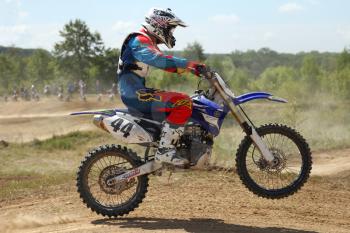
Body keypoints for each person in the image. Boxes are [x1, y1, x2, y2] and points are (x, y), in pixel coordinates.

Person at [117, 8, 205, 166]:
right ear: (159, 25)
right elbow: (158, 59)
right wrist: (189, 65)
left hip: (136, 92)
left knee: (184, 100)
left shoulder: (145, 40)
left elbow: (165, 62)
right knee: (183, 101)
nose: (171, 33)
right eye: (170, 28)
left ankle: (173, 144)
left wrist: (190, 68)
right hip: (134, 94)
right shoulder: (139, 40)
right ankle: (165, 152)